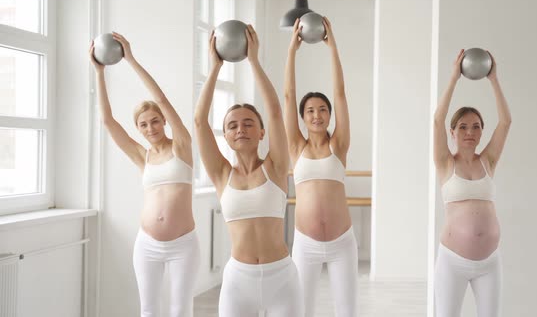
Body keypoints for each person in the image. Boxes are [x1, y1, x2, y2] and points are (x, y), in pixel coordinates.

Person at [193, 25, 302, 317]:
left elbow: (276, 110)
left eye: (248, 123)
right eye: (232, 125)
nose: (240, 129)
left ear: (262, 132)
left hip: (282, 278)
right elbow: (200, 122)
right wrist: (214, 67)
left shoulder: (276, 167)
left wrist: (254, 61)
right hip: (238, 281)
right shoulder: (220, 174)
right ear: (226, 136)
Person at [89, 33, 200, 317]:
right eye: (143, 125)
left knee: (180, 310)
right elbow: (107, 121)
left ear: (164, 121)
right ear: (138, 129)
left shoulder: (182, 146)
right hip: (147, 244)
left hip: (183, 244)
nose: (150, 128)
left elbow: (161, 98)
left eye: (154, 121)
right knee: (148, 310)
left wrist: (131, 60)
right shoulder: (143, 156)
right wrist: (99, 72)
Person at [284, 17, 358, 317]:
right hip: (306, 244)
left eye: (322, 109)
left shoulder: (338, 145)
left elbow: (340, 93)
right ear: (303, 117)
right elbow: (288, 97)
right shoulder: (295, 147)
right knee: (300, 310)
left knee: (347, 311)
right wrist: (292, 49)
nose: (317, 115)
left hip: (342, 242)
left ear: (329, 115)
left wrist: (332, 46)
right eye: (310, 110)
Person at [433, 49, 512, 317]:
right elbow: (436, 120)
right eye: (463, 127)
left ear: (482, 132)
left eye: (476, 126)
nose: (470, 132)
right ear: (452, 132)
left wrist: (494, 79)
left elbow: (506, 122)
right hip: (452, 262)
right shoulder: (445, 163)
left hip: (489, 262)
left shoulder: (488, 160)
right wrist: (454, 78)